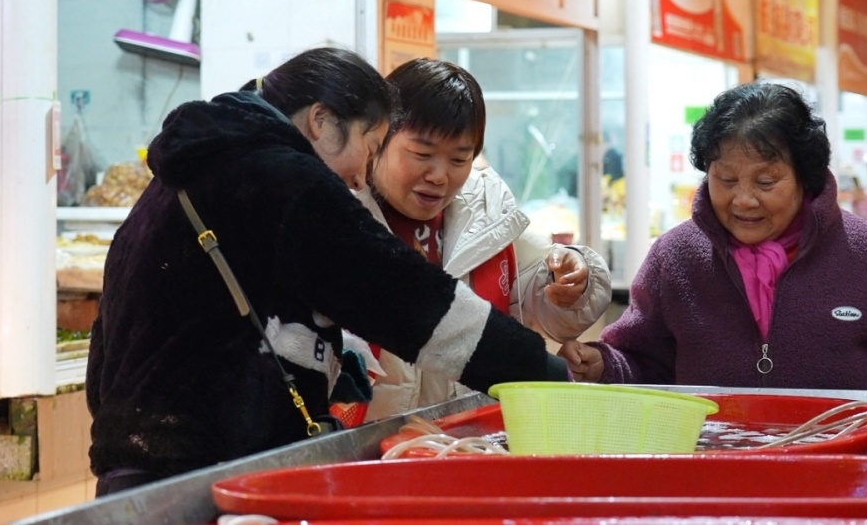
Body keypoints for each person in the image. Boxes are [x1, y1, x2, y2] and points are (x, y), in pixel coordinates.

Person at [86, 48, 570, 496]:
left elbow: (107, 345)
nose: (362, 177)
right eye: (371, 143)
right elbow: (406, 300)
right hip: (208, 475)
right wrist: (544, 373)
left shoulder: (177, 181)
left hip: (133, 472)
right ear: (321, 121)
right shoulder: (282, 178)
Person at [558, 82, 867, 391]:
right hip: (713, 483)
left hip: (843, 486)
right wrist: (601, 365)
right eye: (726, 180)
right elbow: (643, 361)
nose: (744, 200)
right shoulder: (676, 258)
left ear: (805, 178)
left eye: (766, 182)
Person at [341, 58, 611, 423]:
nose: (439, 175)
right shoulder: (339, 215)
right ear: (381, 137)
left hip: (465, 443)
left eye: (459, 158)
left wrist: (573, 278)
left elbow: (549, 294)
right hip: (364, 449)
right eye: (422, 154)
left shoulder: (487, 215)